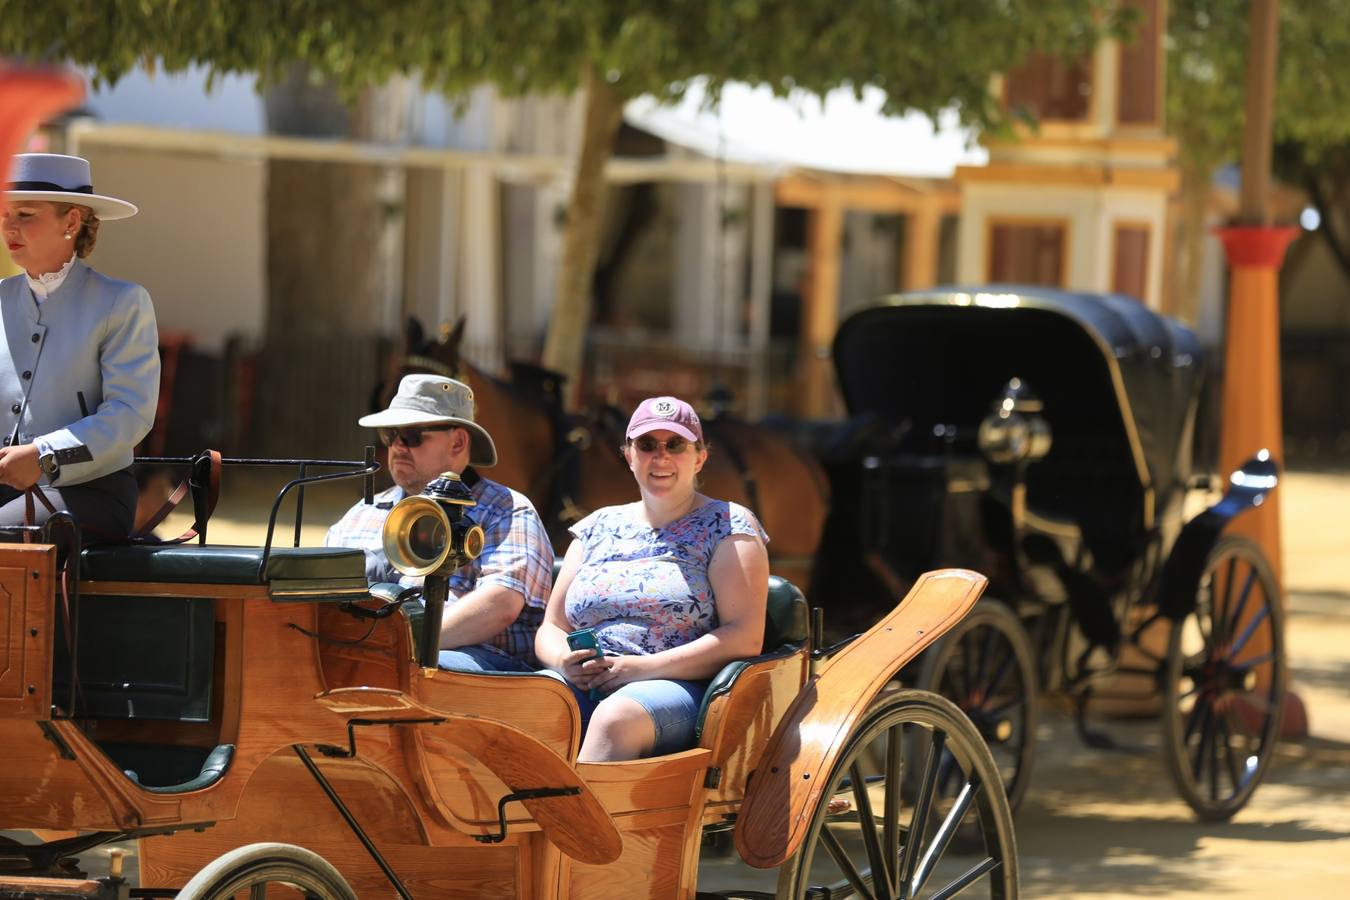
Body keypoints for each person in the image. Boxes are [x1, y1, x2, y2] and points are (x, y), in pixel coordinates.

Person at [536, 396, 770, 762]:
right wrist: (563, 661)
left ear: (699, 458)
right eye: (647, 445)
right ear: (629, 456)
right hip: (584, 680)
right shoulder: (597, 526)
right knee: (521, 706)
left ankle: (578, 820)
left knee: (615, 719)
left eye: (675, 444)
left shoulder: (727, 525)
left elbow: (745, 636)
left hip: (678, 686)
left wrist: (640, 669)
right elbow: (552, 626)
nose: (660, 456)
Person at [326, 373, 554, 672]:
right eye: (390, 435)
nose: (397, 446)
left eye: (410, 435)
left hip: (474, 665)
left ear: (458, 442)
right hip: (369, 659)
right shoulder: (361, 513)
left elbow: (499, 606)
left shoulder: (506, 510)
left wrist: (396, 643)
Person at [0, 153, 159, 539]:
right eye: (5, 214)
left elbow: (130, 414)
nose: (9, 227)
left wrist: (43, 454)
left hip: (91, 494)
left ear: (71, 220)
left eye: (25, 214)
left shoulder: (122, 302)